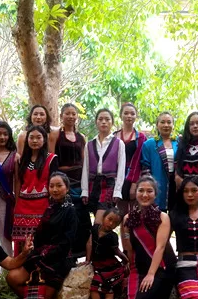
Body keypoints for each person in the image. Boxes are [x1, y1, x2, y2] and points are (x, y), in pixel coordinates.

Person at [7, 172, 77, 299]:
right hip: (40, 256)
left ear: (67, 188)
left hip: (57, 260)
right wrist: (33, 248)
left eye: (59, 185)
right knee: (12, 278)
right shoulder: (51, 208)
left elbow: (66, 243)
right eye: (51, 186)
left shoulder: (70, 211)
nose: (55, 189)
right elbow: (40, 235)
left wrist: (43, 256)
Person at [12, 126, 59, 257]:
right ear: (27, 140)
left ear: (44, 140)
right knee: (22, 243)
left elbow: (54, 183)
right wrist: (16, 204)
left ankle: (39, 268)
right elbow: (18, 182)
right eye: (31, 137)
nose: (34, 141)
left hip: (43, 206)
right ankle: (21, 268)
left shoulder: (51, 159)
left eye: (38, 137)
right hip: (22, 207)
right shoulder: (21, 159)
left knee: (41, 241)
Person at [53, 103, 91, 257]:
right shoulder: (55, 135)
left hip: (79, 183)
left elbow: (85, 162)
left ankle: (82, 254)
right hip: (62, 183)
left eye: (73, 114)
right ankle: (66, 255)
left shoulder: (81, 137)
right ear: (61, 116)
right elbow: (51, 158)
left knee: (82, 218)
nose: (70, 116)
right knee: (66, 216)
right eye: (67, 113)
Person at [83, 208, 127, 299]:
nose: (111, 223)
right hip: (98, 265)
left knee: (109, 291)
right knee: (95, 286)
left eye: (115, 223)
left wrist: (126, 261)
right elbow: (89, 244)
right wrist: (88, 260)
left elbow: (117, 251)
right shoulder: (94, 229)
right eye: (109, 219)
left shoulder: (113, 236)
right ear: (103, 217)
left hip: (110, 267)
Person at [82, 108, 126, 226]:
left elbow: (121, 169)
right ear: (96, 122)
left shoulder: (118, 143)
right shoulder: (89, 144)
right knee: (94, 219)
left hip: (109, 184)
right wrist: (84, 190)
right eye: (100, 119)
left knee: (99, 222)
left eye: (107, 119)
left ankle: (96, 236)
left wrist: (117, 191)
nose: (104, 122)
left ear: (112, 122)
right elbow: (85, 169)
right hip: (93, 184)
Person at [140, 112, 179, 212]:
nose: (166, 125)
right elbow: (145, 168)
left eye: (169, 122)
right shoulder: (149, 144)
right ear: (157, 125)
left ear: (173, 125)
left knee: (175, 213)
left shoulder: (179, 143)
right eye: (162, 122)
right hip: (158, 183)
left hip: (175, 184)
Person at [0, 121, 17, 258]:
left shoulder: (14, 156)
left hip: (5, 200)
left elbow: (18, 180)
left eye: (5, 134)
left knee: (5, 234)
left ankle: (7, 266)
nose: (2, 137)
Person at [115, 102, 147, 215]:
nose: (129, 116)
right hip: (117, 177)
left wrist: (134, 183)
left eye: (132, 114)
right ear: (121, 115)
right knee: (119, 212)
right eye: (126, 113)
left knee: (134, 211)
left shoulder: (141, 138)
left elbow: (139, 161)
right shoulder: (114, 136)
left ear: (136, 116)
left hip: (134, 176)